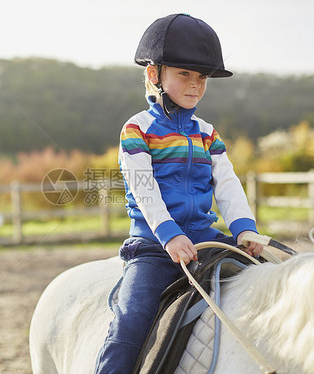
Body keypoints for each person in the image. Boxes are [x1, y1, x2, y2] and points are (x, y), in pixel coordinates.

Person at [94, 13, 263, 374]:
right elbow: (144, 188)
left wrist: (244, 227)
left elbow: (228, 183)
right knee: (129, 324)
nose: (196, 85)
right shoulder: (137, 128)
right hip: (155, 248)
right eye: (185, 74)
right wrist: (170, 235)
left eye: (202, 77)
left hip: (205, 239)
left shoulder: (207, 133)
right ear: (155, 75)